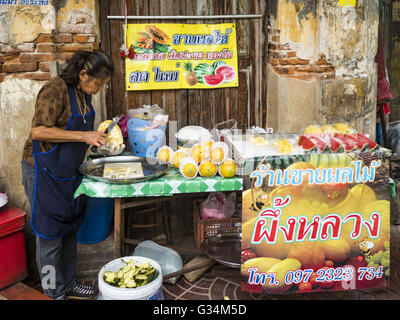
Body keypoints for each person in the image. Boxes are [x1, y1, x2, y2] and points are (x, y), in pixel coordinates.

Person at [21, 50, 114, 300]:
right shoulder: (55, 88)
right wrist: (84, 136)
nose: (99, 89)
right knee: (49, 234)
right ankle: (54, 292)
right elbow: (39, 131)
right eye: (98, 83)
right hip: (42, 172)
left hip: (68, 172)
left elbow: (75, 134)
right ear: (83, 74)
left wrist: (95, 142)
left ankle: (69, 284)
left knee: (70, 228)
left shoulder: (83, 96)